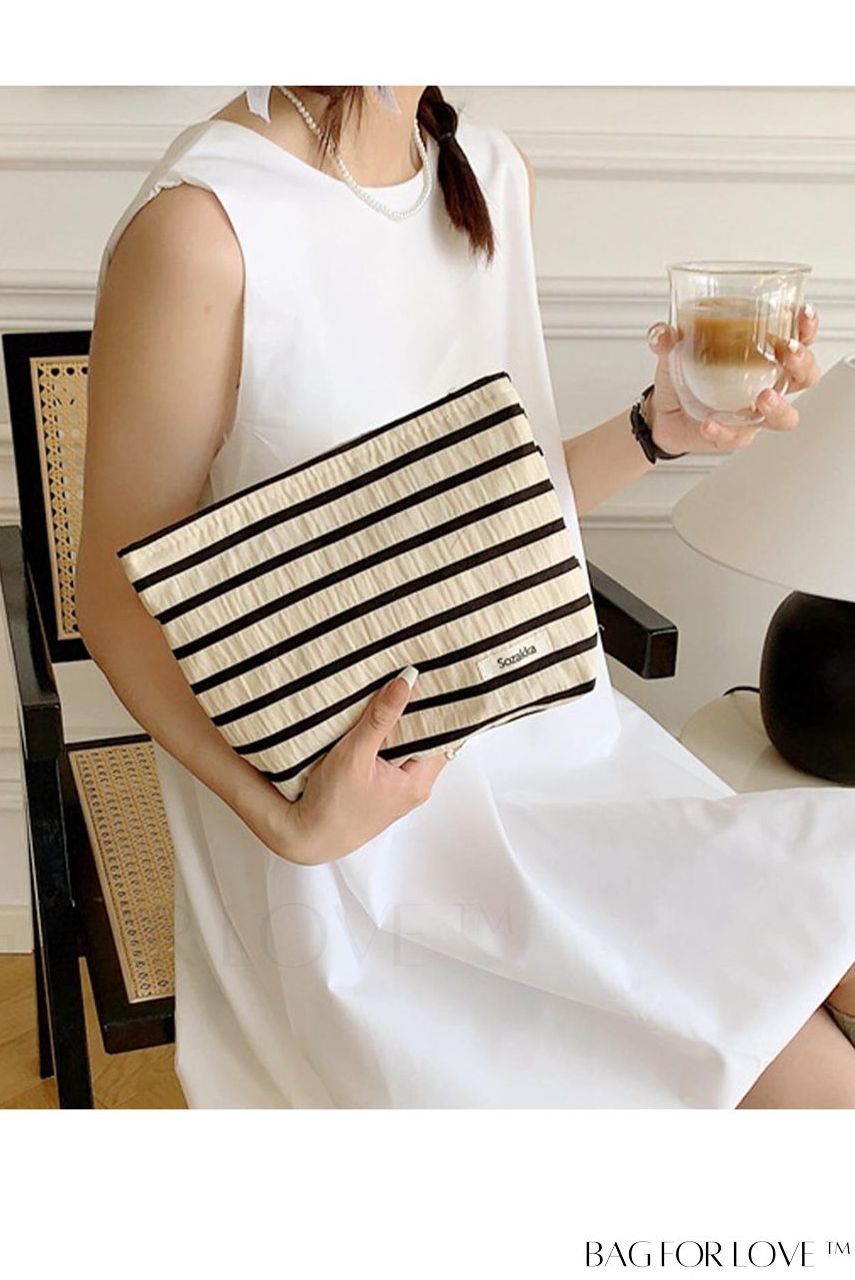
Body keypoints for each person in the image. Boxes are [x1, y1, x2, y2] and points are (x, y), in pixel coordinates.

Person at [76, 86, 855, 1109]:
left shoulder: (489, 175)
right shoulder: (203, 230)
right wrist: (286, 823)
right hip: (375, 842)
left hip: (563, 753)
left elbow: (489, 523)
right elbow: (111, 599)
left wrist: (656, 428)